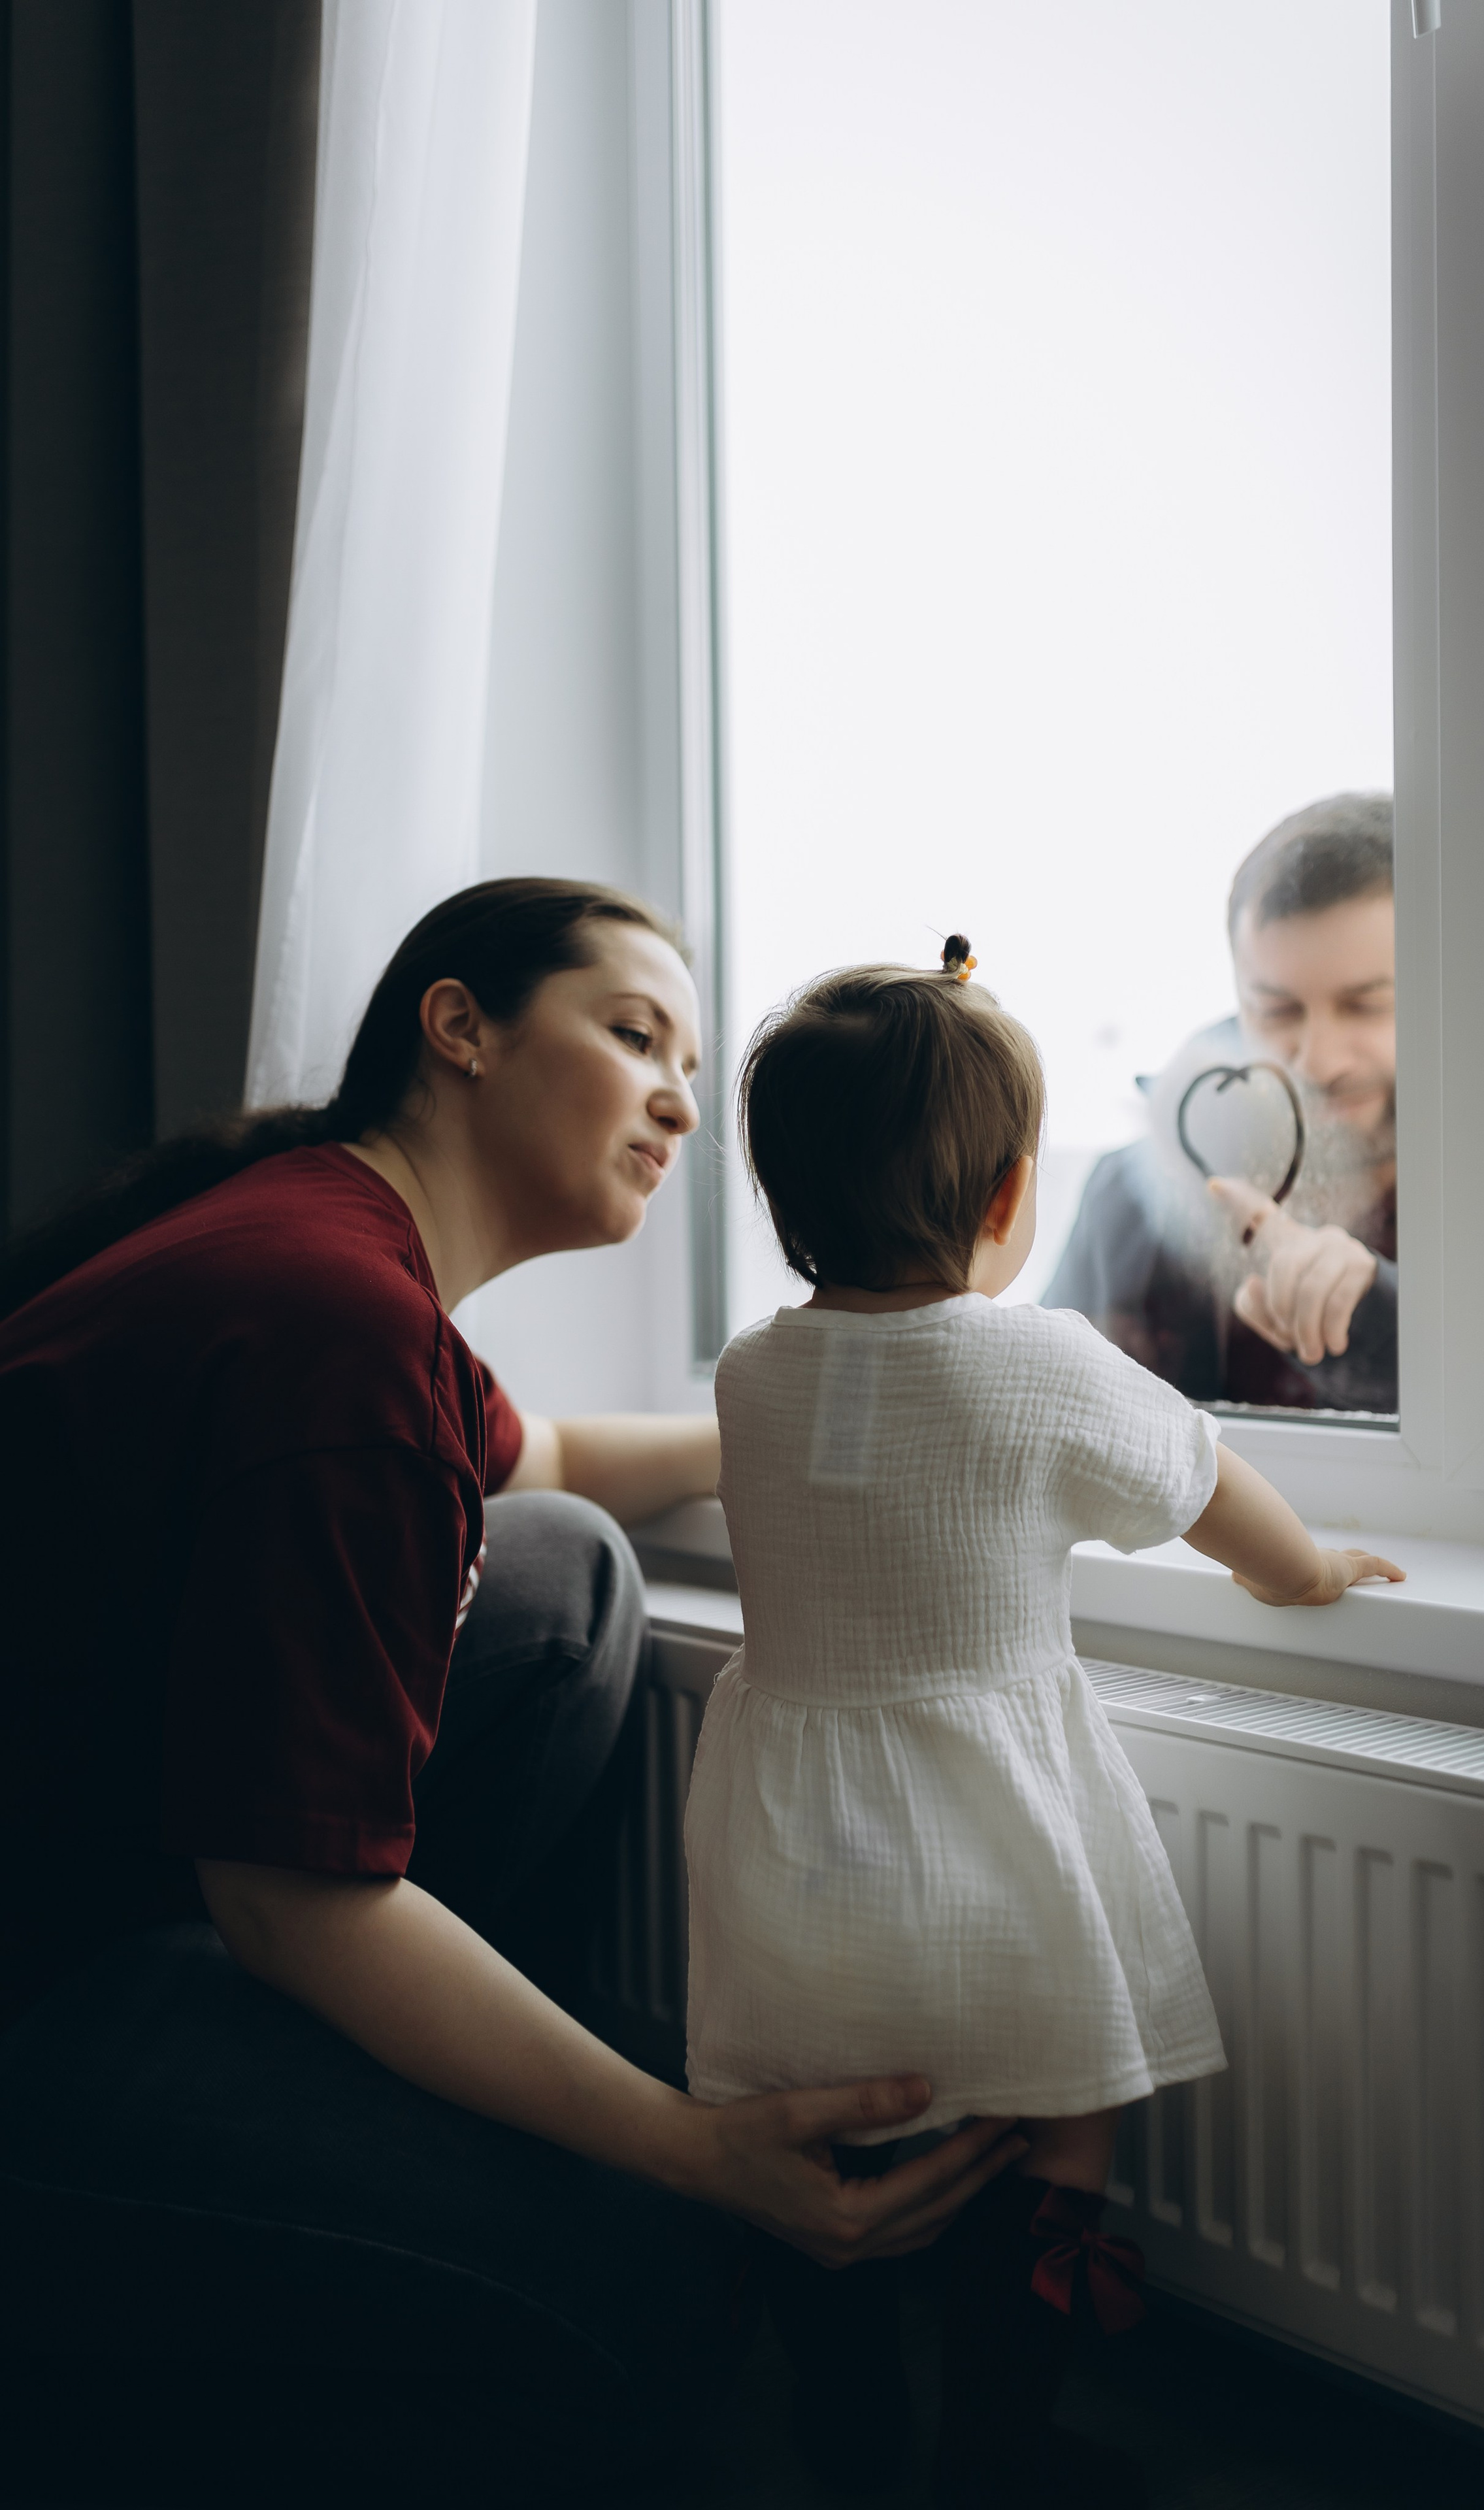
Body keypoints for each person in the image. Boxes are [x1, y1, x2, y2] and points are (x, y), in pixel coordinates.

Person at [0, 878, 1025, 2499]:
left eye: (689, 1061)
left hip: (122, 1859)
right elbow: (290, 1900)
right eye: (634, 1036)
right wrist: (692, 2144)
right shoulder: (332, 1324)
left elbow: (542, 1461)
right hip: (49, 1980)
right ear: (459, 1027)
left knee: (557, 1564)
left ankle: (370, 2126)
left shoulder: (330, 1241)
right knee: (659, 2270)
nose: (684, 1098)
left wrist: (866, 1394)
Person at [682, 939, 1403, 2507]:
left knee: (826, 2149)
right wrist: (1310, 1568)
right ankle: (996, 2446)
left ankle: (843, 2422)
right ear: (1010, 1190)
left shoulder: (751, 1370)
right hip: (990, 1834)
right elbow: (1217, 1495)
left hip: (789, 1852)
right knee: (1056, 2121)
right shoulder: (1039, 1362)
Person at [1046, 792, 1400, 1412]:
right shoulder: (1130, 1201)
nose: (1317, 1060)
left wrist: (1383, 1320)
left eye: (1367, 1005)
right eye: (1277, 1010)